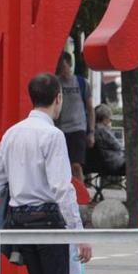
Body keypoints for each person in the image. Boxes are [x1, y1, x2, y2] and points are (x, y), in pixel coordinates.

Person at [0, 73, 93, 274]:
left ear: (31, 98)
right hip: (47, 220)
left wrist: (20, 187)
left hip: (19, 221)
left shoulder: (12, 133)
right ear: (58, 98)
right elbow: (62, 189)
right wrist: (79, 233)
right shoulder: (53, 135)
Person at [55, 53, 93, 181]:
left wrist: (91, 132)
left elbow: (90, 108)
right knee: (61, 165)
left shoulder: (82, 83)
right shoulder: (55, 83)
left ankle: (80, 191)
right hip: (60, 128)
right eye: (61, 67)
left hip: (77, 128)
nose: (63, 70)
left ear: (70, 65)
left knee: (76, 165)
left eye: (65, 66)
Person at [88, 105, 126, 176]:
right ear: (105, 118)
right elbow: (118, 146)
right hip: (113, 164)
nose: (110, 121)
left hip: (95, 164)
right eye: (110, 118)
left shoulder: (91, 131)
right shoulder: (103, 131)